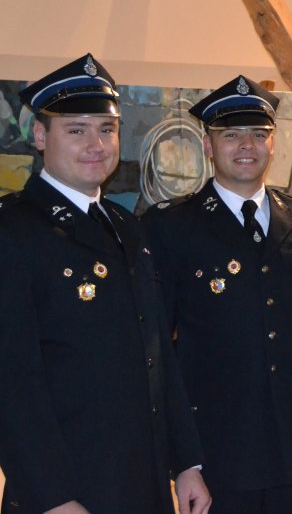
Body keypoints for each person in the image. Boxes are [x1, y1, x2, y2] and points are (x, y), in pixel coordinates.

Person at [0, 54, 210, 514]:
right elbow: (12, 384)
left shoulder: (125, 226)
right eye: (76, 130)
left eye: (107, 129)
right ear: (40, 136)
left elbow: (158, 352)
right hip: (67, 491)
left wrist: (186, 462)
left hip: (142, 482)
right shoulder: (14, 232)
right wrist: (52, 498)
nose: (96, 144)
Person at [142, 75, 292, 513]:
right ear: (209, 146)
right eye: (230, 135)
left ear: (272, 143)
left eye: (258, 134)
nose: (246, 145)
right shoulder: (170, 228)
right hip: (217, 450)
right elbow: (157, 351)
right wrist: (183, 460)